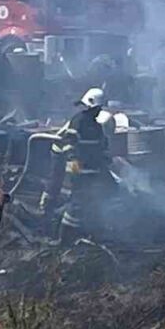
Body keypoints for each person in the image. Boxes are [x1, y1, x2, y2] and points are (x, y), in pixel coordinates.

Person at [43, 88, 113, 233]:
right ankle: (62, 234)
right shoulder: (79, 121)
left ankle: (80, 228)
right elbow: (70, 148)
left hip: (86, 166)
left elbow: (100, 147)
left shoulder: (95, 125)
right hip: (68, 161)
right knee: (77, 198)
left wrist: (102, 164)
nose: (98, 112)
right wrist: (76, 172)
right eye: (97, 109)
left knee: (90, 196)